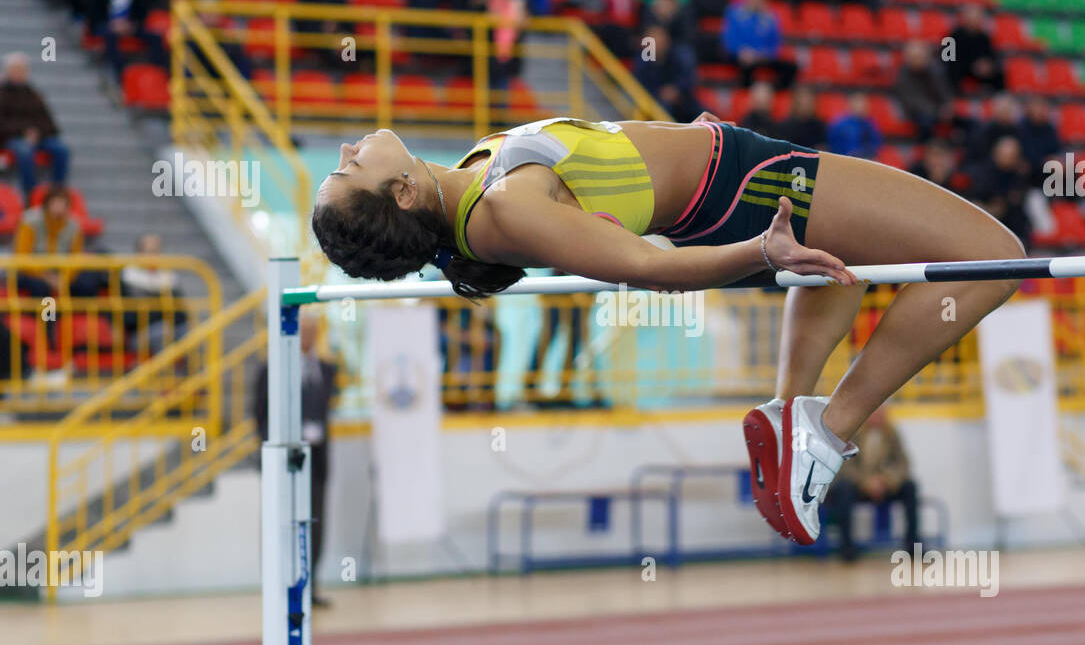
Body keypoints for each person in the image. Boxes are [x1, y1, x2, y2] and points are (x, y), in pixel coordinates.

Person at [310, 113, 1025, 546]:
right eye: (349, 171)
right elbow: (641, 267)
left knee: (850, 262)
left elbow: (614, 167)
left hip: (729, 171)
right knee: (995, 258)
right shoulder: (501, 211)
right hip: (742, 187)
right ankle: (829, 433)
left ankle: (792, 416)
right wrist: (757, 251)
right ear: (399, 192)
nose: (348, 152)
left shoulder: (470, 188)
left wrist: (685, 136)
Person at [254, 312, 337, 607]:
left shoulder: (326, 370)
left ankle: (310, 586)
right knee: (281, 523)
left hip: (317, 461)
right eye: (303, 331)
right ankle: (279, 585)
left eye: (312, 331)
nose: (308, 337)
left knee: (315, 523)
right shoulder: (272, 370)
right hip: (286, 463)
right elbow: (260, 418)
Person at [821, 406, 920, 560]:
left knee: (910, 487)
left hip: (886, 485)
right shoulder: (853, 434)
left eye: (881, 414)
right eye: (874, 413)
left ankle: (913, 545)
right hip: (859, 486)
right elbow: (845, 465)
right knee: (842, 490)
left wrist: (886, 480)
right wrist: (866, 482)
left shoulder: (892, 435)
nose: (878, 417)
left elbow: (903, 464)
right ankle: (847, 547)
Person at [0, 53, 71, 196]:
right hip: (11, 138)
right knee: (25, 150)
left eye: (22, 70)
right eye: (15, 69)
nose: (19, 73)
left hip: (38, 136)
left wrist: (36, 133)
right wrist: (23, 132)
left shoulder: (34, 94)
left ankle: (57, 193)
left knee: (61, 149)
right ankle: (31, 194)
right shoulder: (2, 94)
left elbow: (49, 123)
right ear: (7, 71)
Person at [121, 232, 188, 353]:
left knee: (189, 331)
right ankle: (163, 372)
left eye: (157, 251)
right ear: (139, 253)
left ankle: (194, 371)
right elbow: (130, 317)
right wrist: (162, 312)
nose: (154, 256)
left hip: (169, 327)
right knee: (163, 331)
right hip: (139, 334)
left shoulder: (169, 277)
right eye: (150, 251)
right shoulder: (128, 277)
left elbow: (181, 313)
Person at [722, 0, 797, 89]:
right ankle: (747, 94)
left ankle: (773, 92)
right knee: (746, 66)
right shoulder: (735, 13)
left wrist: (764, 54)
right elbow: (729, 40)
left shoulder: (770, 17)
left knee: (790, 67)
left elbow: (775, 43)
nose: (756, 1)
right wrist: (740, 52)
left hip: (761, 56)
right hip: (740, 55)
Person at [968, 136, 1033, 250]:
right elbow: (975, 202)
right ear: (996, 153)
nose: (1009, 158)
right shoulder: (983, 175)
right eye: (1006, 154)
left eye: (1013, 155)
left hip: (1015, 230)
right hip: (987, 226)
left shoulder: (1019, 176)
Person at [893, 40, 954, 142]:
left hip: (937, 110)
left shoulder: (934, 71)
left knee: (967, 122)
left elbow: (944, 91)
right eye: (915, 57)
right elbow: (913, 102)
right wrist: (938, 111)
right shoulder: (903, 76)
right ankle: (928, 148)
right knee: (926, 121)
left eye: (921, 57)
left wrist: (947, 105)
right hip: (915, 113)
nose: (919, 60)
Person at [945, 3, 1004, 92]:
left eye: (977, 18)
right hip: (962, 69)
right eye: (971, 18)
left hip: (980, 70)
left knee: (999, 74)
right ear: (964, 19)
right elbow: (948, 59)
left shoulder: (984, 37)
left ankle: (998, 97)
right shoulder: (953, 36)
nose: (974, 21)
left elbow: (991, 55)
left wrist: (988, 65)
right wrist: (971, 66)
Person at [1018, 96, 1062, 185]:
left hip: (1049, 170)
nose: (1041, 110)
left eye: (1043, 107)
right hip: (1032, 173)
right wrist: (1046, 161)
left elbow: (1056, 148)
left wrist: (1057, 160)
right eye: (1038, 107)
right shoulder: (1022, 128)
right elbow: (1027, 154)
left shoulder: (1049, 128)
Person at [826, 92, 881, 159]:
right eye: (858, 102)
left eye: (863, 102)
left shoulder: (871, 124)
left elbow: (876, 144)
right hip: (844, 160)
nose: (861, 105)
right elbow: (833, 146)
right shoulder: (839, 124)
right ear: (850, 104)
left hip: (866, 160)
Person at [778, 86, 828, 150]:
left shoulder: (820, 126)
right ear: (794, 102)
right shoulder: (784, 126)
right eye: (801, 100)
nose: (804, 103)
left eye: (808, 100)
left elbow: (823, 150)